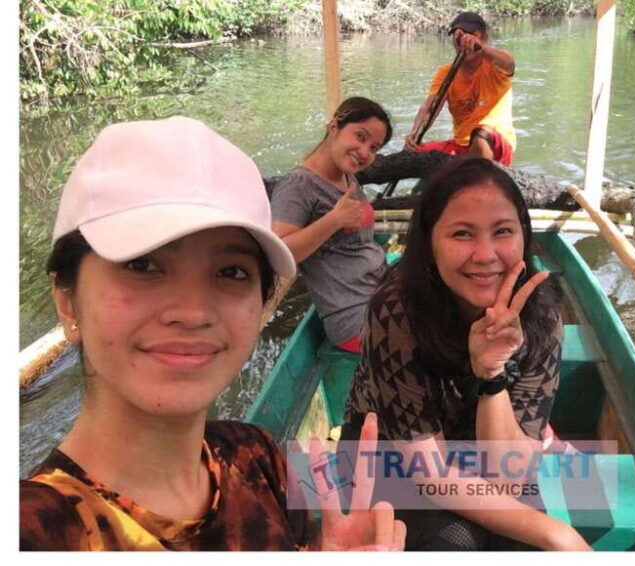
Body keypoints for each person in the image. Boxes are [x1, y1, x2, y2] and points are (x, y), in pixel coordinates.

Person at [19, 116, 405, 551]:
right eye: (142, 264)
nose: (193, 312)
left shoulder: (255, 456)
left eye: (231, 271)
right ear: (67, 299)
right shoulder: (37, 531)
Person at [342, 157, 591, 551]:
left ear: (523, 235)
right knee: (456, 544)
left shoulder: (541, 315)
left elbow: (508, 474)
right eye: (462, 234)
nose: (485, 255)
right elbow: (430, 472)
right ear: (429, 242)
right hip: (391, 452)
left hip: (481, 444)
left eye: (503, 231)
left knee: (523, 546)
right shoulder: (397, 310)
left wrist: (491, 374)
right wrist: (559, 533)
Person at [271, 97, 392, 353]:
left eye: (374, 148)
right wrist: (334, 220)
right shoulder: (298, 186)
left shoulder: (346, 176)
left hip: (380, 291)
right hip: (355, 317)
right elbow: (280, 254)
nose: (364, 152)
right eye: (360, 137)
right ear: (334, 126)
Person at [405, 12, 517, 166]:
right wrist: (414, 134)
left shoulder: (495, 62)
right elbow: (429, 107)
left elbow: (509, 64)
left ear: (484, 37)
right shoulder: (446, 72)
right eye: (458, 36)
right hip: (461, 146)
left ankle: (467, 173)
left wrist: (481, 48)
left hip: (495, 143)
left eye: (470, 34)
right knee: (413, 153)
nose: (464, 41)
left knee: (480, 135)